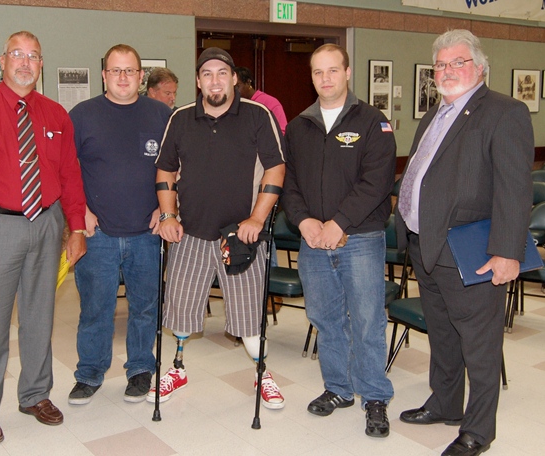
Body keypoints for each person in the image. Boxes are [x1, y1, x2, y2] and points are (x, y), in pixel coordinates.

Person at [0, 31, 87, 445]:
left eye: (34, 57)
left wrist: (75, 227)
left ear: (41, 65)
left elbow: (69, 176)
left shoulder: (57, 115)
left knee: (39, 317)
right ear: (3, 61)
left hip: (46, 225)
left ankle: (35, 394)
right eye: (18, 55)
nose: (26, 63)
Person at [395, 29, 533, 456]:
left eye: (458, 62)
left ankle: (478, 430)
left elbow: (514, 188)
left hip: (471, 251)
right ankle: (446, 402)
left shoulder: (504, 112)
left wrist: (507, 252)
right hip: (426, 245)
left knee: (480, 343)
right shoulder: (435, 114)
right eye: (441, 64)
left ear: (480, 66)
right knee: (443, 334)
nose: (448, 70)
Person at [152, 47, 286, 409]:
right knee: (179, 309)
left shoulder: (258, 116)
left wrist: (257, 218)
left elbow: (276, 169)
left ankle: (262, 373)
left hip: (240, 236)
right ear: (198, 81)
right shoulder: (179, 118)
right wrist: (167, 216)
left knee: (248, 317)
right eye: (207, 74)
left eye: (222, 73)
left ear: (233, 79)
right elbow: (165, 170)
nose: (215, 80)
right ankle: (177, 367)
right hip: (189, 233)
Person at [282, 43, 396, 438]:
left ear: (348, 73)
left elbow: (377, 182)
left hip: (360, 238)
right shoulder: (298, 126)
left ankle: (375, 397)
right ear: (311, 77)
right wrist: (305, 221)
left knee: (366, 321)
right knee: (326, 319)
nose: (325, 78)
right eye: (318, 72)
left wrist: (340, 222)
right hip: (313, 241)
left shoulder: (372, 121)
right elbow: (289, 183)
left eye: (333, 70)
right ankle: (338, 388)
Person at [67, 45, 172, 405]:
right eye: (116, 71)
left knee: (145, 306)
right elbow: (65, 171)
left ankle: (141, 370)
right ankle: (89, 374)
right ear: (104, 75)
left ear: (142, 76)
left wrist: (167, 209)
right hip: (99, 233)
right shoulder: (81, 115)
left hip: (148, 233)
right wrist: (80, 210)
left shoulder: (162, 115)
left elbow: (177, 168)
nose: (123, 77)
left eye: (130, 71)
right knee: (96, 308)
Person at [235, 66, 288, 134]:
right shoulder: (234, 104)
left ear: (248, 82)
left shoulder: (270, 102)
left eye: (237, 86)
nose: (234, 91)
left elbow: (282, 132)